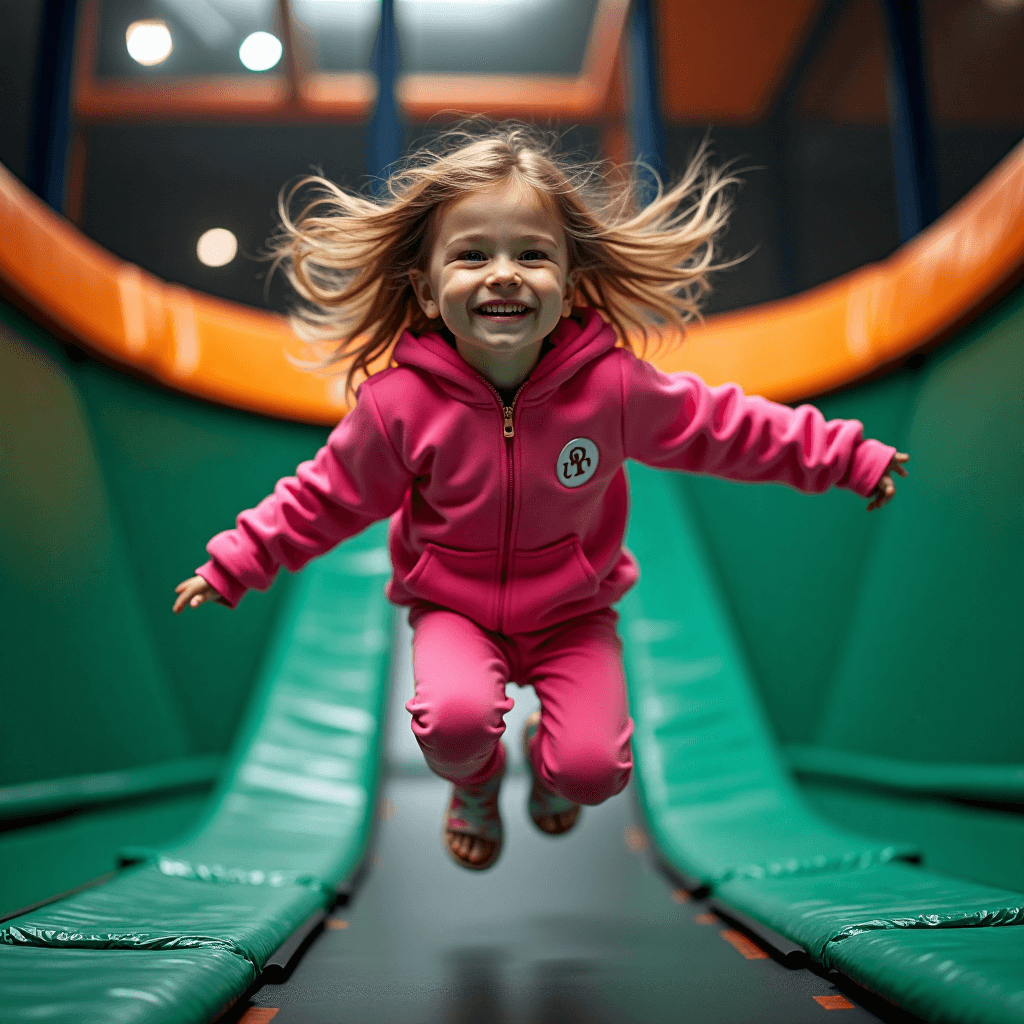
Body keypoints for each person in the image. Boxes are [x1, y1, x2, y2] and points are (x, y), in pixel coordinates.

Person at [173, 124, 909, 872]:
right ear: (426, 289)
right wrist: (237, 562)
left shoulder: (611, 390)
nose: (504, 275)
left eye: (532, 254)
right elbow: (326, 495)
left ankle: (547, 764)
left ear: (569, 282)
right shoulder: (399, 406)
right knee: (453, 726)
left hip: (573, 612)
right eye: (472, 256)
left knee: (593, 772)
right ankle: (480, 790)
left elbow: (725, 428)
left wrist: (844, 456)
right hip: (454, 608)